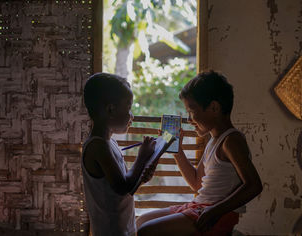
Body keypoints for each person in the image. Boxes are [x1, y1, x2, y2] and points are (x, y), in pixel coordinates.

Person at [137, 70, 263, 236]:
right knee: (141, 221)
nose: (189, 119)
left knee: (147, 231)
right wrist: (177, 150)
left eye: (191, 111)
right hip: (198, 206)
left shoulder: (231, 141)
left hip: (218, 215)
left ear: (214, 107)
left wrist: (215, 211)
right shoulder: (213, 141)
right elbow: (196, 183)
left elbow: (254, 185)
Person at [82, 72, 157, 236]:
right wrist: (142, 157)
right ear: (110, 109)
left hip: (122, 228)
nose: (132, 115)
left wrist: (141, 178)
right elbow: (122, 187)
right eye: (128, 108)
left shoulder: (110, 143)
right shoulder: (98, 147)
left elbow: (121, 186)